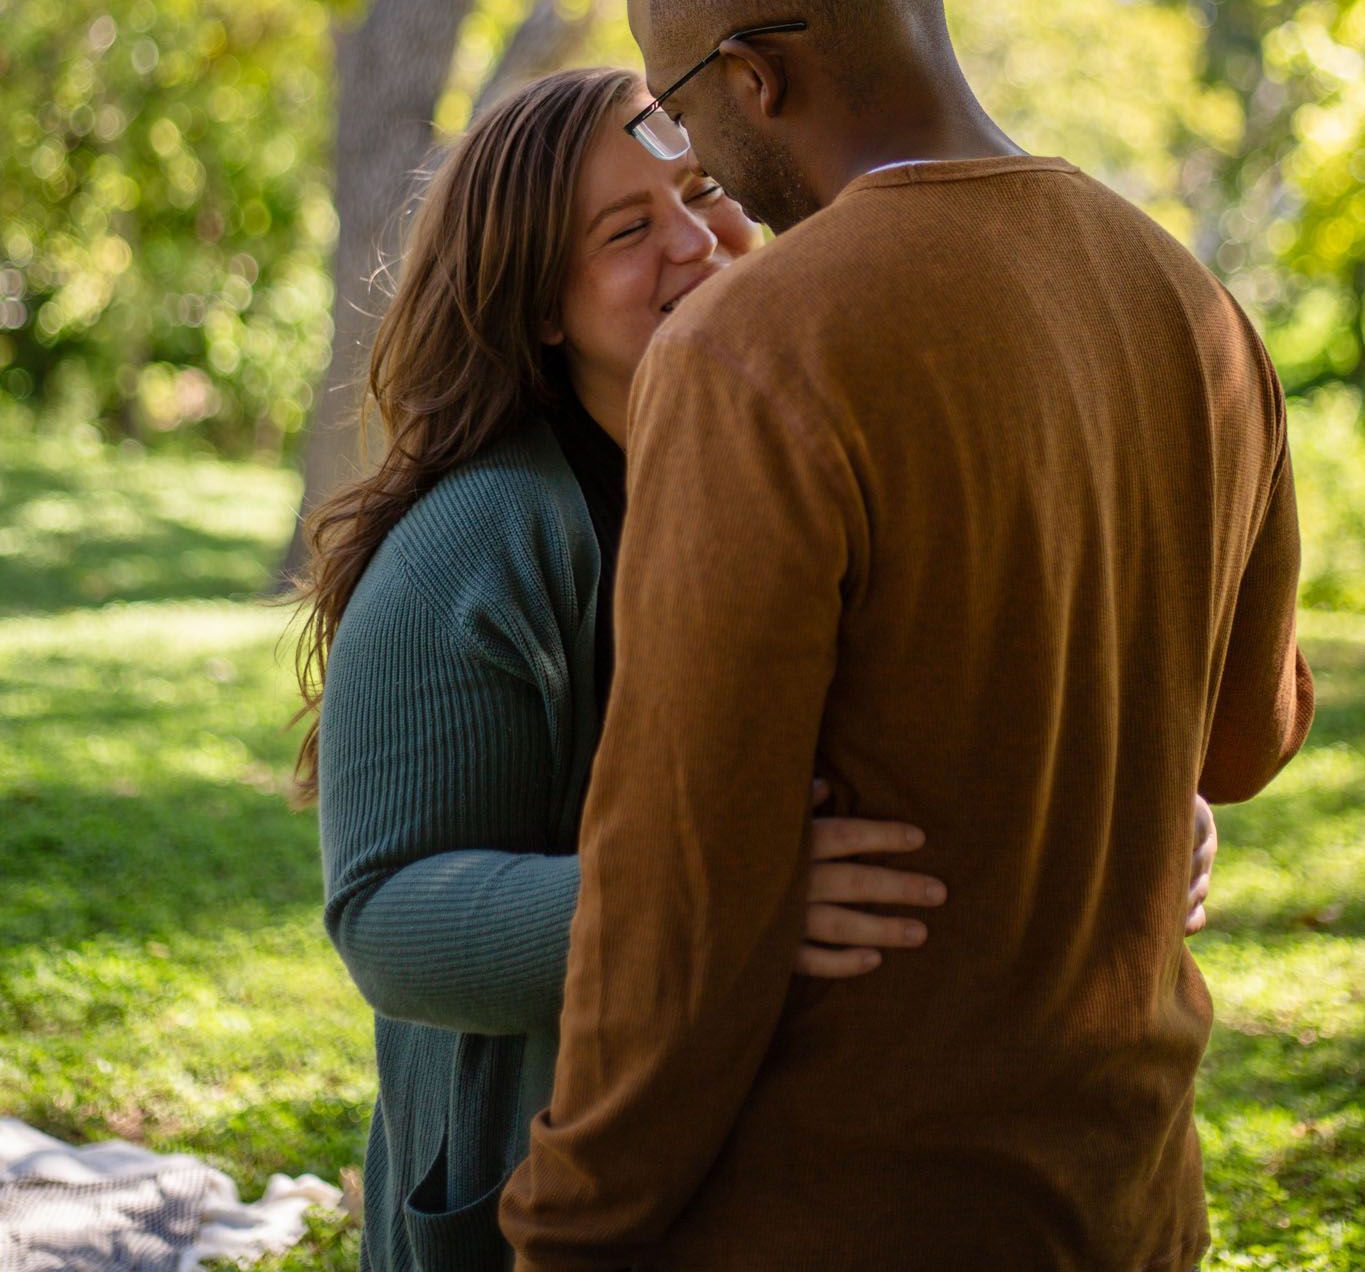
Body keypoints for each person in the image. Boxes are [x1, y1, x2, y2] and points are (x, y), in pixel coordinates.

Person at [501, 0, 1313, 1272]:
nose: (692, 159)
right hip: (1126, 1195)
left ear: (754, 76)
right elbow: (1243, 746)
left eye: (679, 112)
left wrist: (569, 1224)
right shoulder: (1197, 308)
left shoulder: (755, 345)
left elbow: (683, 880)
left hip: (840, 1210)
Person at [294, 66, 971, 1272]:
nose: (696, 241)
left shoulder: (814, 462)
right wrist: (723, 902)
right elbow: (389, 918)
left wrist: (1131, 820)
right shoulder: (481, 537)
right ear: (542, 305)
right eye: (625, 228)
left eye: (706, 189)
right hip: (547, 1190)